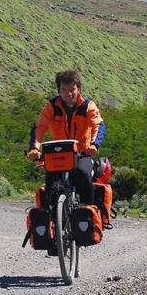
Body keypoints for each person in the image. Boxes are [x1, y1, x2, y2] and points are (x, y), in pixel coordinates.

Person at [27, 69, 104, 204]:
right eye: (64, 89)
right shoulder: (51, 106)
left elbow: (99, 125)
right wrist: (34, 148)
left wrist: (94, 145)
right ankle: (51, 218)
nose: (68, 93)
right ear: (59, 90)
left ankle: (89, 212)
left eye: (72, 89)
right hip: (59, 153)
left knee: (83, 174)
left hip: (82, 153)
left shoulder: (87, 106)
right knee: (50, 181)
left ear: (78, 89)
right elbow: (40, 127)